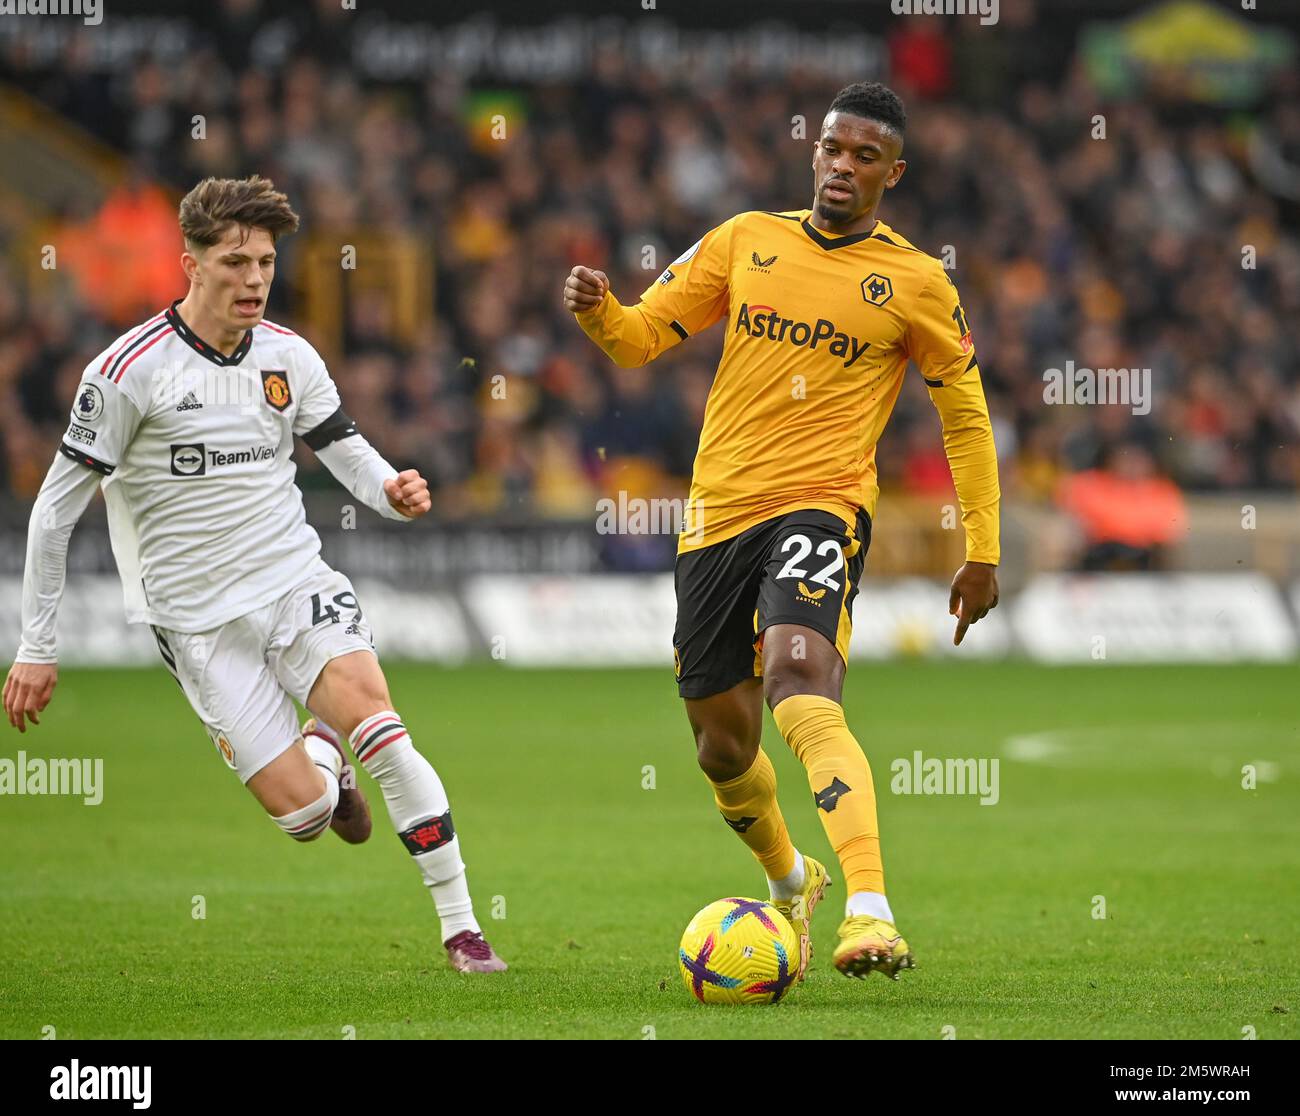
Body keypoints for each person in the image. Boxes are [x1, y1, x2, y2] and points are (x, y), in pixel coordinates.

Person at [4, 175, 506, 974]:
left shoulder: (288, 355)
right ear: (190, 264)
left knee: (383, 726)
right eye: (235, 261)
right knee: (304, 816)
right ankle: (322, 761)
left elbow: (339, 442)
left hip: (292, 583)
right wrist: (36, 645)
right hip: (197, 622)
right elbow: (53, 513)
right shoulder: (127, 372)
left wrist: (387, 489)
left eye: (266, 262)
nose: (255, 279)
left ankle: (463, 929)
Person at [565, 83, 1000, 983]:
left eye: (865, 156)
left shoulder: (918, 281)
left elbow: (967, 417)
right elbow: (643, 339)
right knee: (722, 745)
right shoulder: (745, 239)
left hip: (822, 505)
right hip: (718, 516)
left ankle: (871, 910)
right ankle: (794, 881)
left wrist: (983, 547)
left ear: (894, 172)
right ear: (817, 154)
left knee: (801, 681)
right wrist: (601, 310)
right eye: (833, 149)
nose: (844, 166)